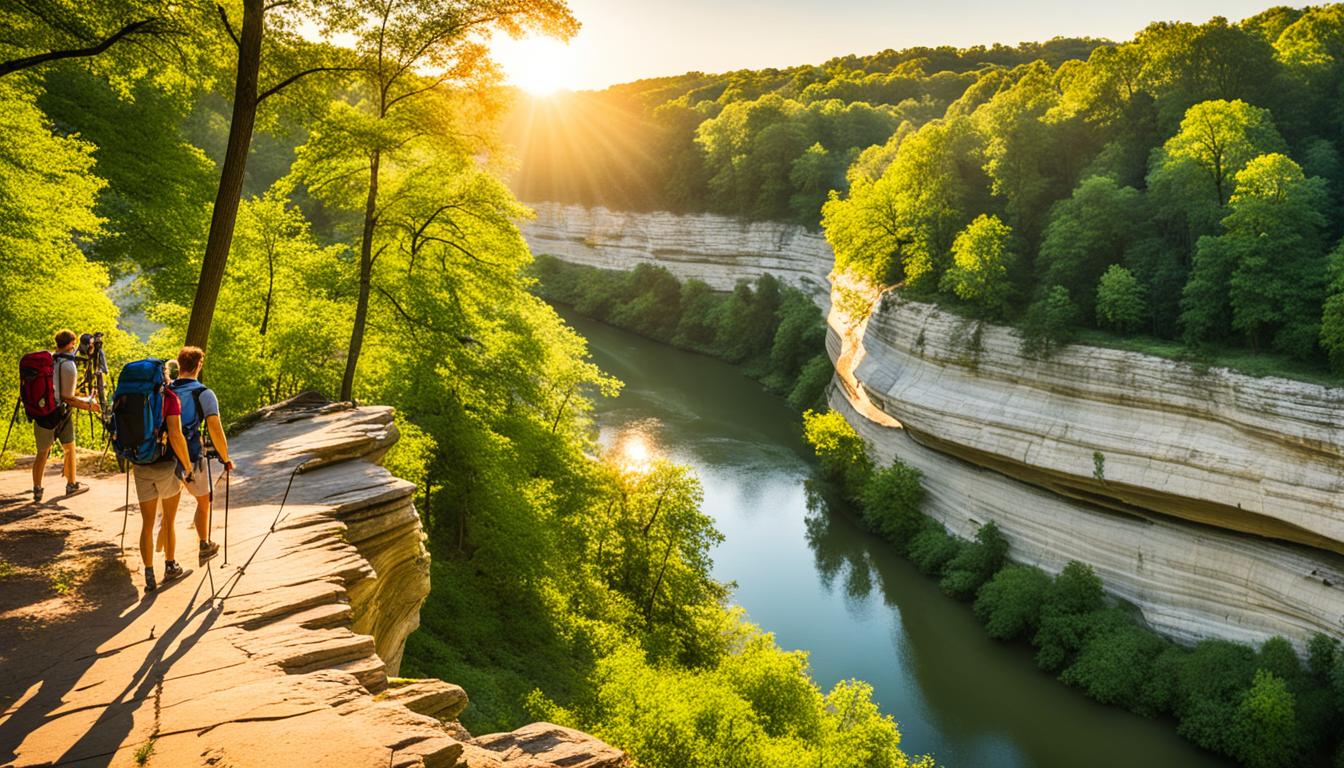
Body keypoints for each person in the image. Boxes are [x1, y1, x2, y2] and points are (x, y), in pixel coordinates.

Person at [168, 346, 234, 564]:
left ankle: (166, 563)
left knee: (168, 510)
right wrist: (225, 458)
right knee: (204, 501)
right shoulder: (204, 393)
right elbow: (215, 428)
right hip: (190, 455)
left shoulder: (165, 390)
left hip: (163, 454)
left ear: (179, 365)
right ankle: (204, 544)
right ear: (199, 365)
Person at [132, 363, 194, 593]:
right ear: (166, 377)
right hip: (165, 465)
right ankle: (170, 566)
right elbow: (176, 435)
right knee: (168, 519)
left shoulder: (135, 394)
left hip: (140, 463)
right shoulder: (169, 397)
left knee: (147, 524)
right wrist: (187, 467)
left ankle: (149, 575)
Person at [33, 329, 100, 503]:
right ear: (71, 344)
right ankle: (71, 484)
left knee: (42, 452)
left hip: (43, 412)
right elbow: (67, 397)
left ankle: (37, 489)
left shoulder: (49, 361)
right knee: (69, 448)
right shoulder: (69, 365)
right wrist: (89, 402)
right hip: (60, 412)